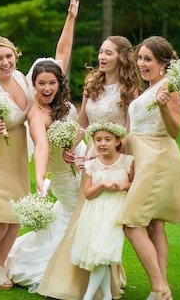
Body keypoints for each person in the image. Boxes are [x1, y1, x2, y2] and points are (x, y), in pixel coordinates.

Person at [0, 0, 79, 292]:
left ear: (16, 56)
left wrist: (70, 18)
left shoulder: (26, 80)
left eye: (8, 56)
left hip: (12, 153)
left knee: (15, 215)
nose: (5, 61)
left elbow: (61, 54)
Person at [38, 35, 141, 300]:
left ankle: (100, 287)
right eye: (101, 52)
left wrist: (112, 156)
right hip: (90, 158)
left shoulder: (130, 90)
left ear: (122, 57)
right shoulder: (92, 83)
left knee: (104, 223)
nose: (102, 57)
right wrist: (70, 147)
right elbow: (82, 124)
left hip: (115, 159)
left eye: (109, 53)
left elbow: (130, 132)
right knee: (84, 222)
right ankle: (71, 283)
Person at [117, 36, 180, 300]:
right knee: (154, 226)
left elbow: (176, 130)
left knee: (132, 223)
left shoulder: (168, 87)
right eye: (140, 58)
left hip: (157, 158)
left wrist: (163, 106)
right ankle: (163, 288)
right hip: (141, 157)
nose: (141, 64)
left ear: (163, 63)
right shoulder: (150, 87)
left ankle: (159, 288)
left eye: (148, 59)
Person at [70, 122, 133, 300]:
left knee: (103, 252)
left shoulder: (127, 161)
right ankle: (106, 296)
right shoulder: (92, 165)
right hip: (94, 212)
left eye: (107, 139)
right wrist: (102, 185)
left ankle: (88, 297)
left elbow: (134, 183)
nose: (102, 143)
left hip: (116, 211)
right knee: (100, 256)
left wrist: (124, 185)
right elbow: (88, 194)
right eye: (98, 140)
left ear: (117, 141)